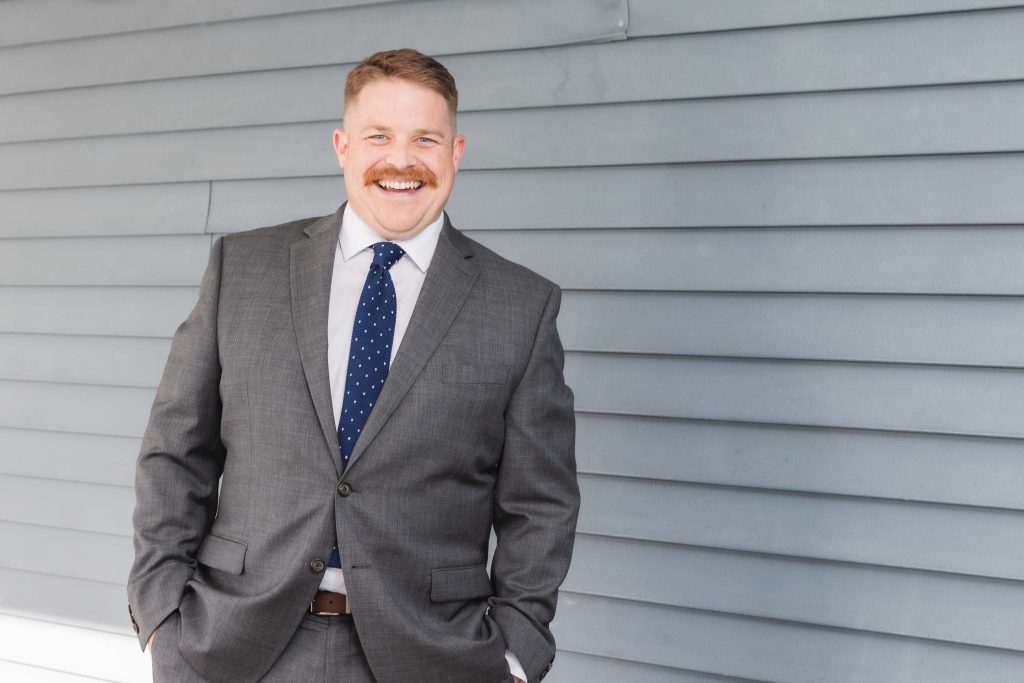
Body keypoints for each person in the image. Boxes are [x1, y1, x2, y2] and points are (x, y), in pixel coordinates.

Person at [127, 48, 579, 683]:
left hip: (433, 656)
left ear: (456, 151)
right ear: (342, 146)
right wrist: (160, 616)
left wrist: (514, 654)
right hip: (232, 646)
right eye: (379, 136)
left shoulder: (521, 306)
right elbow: (176, 451)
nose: (401, 160)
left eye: (426, 137)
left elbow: (542, 503)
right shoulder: (243, 269)